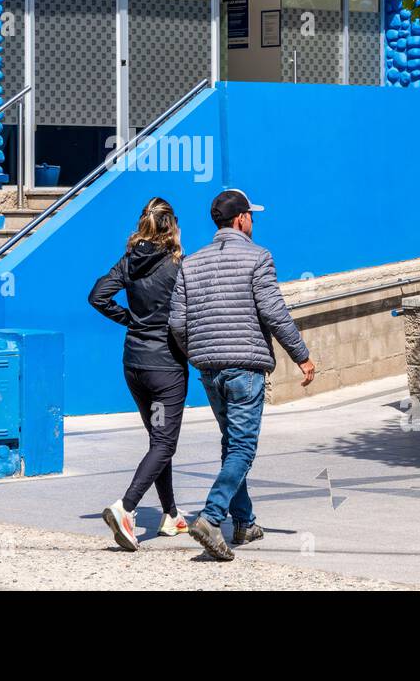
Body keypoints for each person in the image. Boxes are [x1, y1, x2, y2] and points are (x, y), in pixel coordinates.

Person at [168, 188, 315, 562]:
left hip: (209, 370)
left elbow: (177, 323)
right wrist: (301, 355)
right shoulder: (258, 257)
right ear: (241, 219)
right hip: (245, 368)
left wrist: (200, 355)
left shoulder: (191, 263)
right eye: (252, 215)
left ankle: (245, 522)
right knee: (243, 447)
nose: (254, 221)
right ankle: (212, 517)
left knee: (231, 443)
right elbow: (273, 312)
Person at [88, 197, 190, 551]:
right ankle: (126, 507)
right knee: (164, 443)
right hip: (165, 369)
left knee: (158, 442)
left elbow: (97, 296)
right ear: (171, 226)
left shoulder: (130, 261)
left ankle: (171, 515)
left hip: (134, 365)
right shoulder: (178, 266)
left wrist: (130, 320)